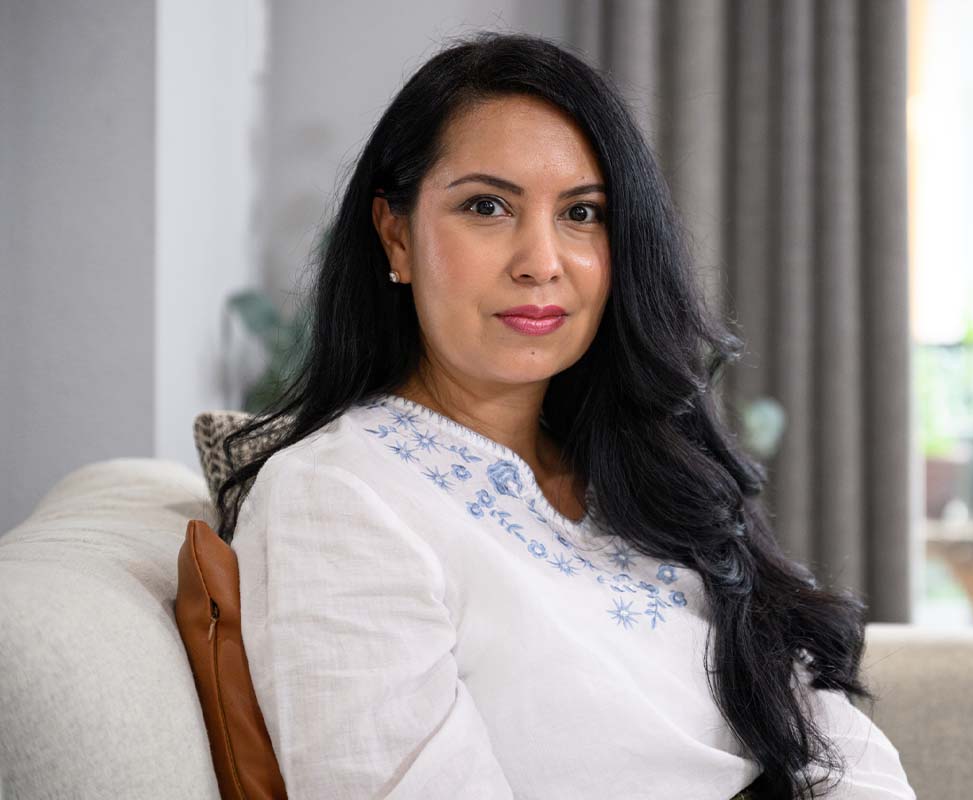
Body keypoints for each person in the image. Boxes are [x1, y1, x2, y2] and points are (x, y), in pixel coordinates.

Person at [219, 30, 916, 800]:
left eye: (582, 213)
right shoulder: (335, 500)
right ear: (397, 235)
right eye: (487, 207)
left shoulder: (652, 473)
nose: (542, 260)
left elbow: (840, 749)